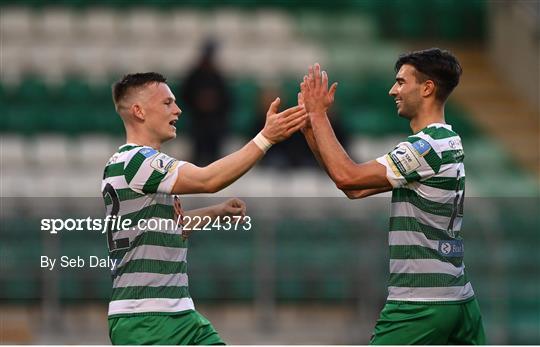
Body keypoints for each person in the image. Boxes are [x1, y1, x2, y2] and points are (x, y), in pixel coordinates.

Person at [103, 72, 306, 345]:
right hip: (146, 317)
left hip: (179, 314)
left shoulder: (130, 164)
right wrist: (265, 138)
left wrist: (215, 212)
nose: (178, 109)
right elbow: (209, 179)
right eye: (167, 103)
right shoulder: (138, 160)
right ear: (139, 111)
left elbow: (168, 226)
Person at [299, 49, 486, 344]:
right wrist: (311, 128)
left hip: (420, 304)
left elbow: (348, 176)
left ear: (427, 88)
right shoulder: (447, 140)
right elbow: (354, 189)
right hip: (458, 298)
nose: (392, 90)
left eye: (401, 82)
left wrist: (320, 114)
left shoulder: (427, 147)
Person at [180, 39, 232, 166]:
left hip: (215, 122)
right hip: (198, 121)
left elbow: (227, 99)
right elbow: (184, 95)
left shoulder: (217, 75)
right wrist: (199, 103)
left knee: (215, 155)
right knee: (198, 153)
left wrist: (214, 103)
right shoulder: (194, 75)